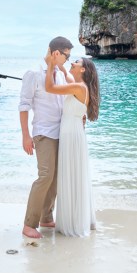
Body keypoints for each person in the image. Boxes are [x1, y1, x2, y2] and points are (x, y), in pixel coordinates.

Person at [19, 36, 73, 239]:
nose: (68, 60)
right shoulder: (33, 73)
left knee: (56, 178)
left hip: (61, 132)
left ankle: (46, 218)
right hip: (44, 133)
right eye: (66, 56)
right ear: (56, 53)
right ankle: (29, 224)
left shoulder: (58, 73)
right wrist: (26, 136)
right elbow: (23, 106)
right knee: (45, 176)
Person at [44, 55, 101, 237]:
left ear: (82, 69)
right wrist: (60, 68)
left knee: (70, 173)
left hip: (70, 133)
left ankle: (73, 222)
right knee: (74, 173)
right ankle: (77, 217)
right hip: (74, 131)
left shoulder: (78, 87)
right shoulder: (80, 86)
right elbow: (68, 78)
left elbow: (50, 88)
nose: (72, 63)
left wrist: (51, 65)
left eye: (76, 62)